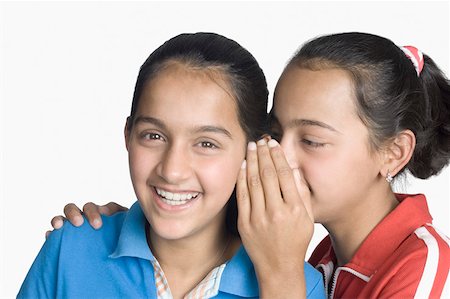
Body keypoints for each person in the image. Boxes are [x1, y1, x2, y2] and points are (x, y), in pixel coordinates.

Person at [55, 31, 450, 298]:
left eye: (312, 140)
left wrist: (280, 272)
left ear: (393, 153)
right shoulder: (324, 260)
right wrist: (144, 221)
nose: (279, 155)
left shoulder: (430, 271)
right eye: (275, 134)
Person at [19, 32, 326, 299]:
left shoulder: (297, 285)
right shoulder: (70, 251)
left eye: (206, 144)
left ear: (254, 152)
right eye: (153, 136)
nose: (172, 170)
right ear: (127, 135)